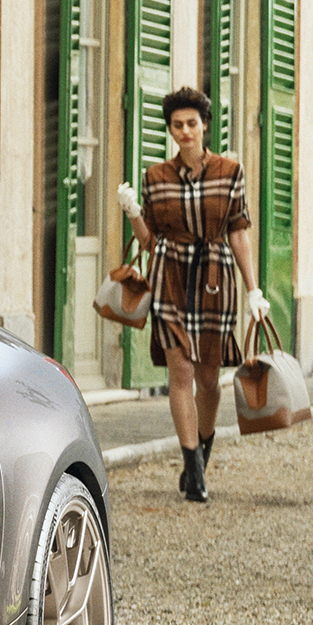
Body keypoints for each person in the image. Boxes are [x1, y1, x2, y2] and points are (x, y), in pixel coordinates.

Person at [115, 84, 270, 502]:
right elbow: (148, 242)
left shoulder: (229, 173)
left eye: (191, 123)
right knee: (180, 374)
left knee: (209, 379)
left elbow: (238, 235)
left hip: (215, 279)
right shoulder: (155, 177)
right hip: (169, 278)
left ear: (204, 126)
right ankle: (193, 470)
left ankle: (203, 448)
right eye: (177, 125)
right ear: (170, 130)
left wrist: (253, 290)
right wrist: (132, 212)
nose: (185, 131)